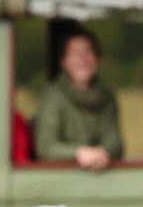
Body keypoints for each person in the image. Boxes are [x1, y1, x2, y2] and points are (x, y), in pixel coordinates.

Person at [34, 28, 123, 171]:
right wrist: (79, 153)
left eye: (88, 52)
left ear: (97, 59)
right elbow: (46, 147)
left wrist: (103, 153)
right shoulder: (53, 97)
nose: (83, 59)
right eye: (75, 53)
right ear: (64, 61)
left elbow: (114, 141)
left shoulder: (107, 96)